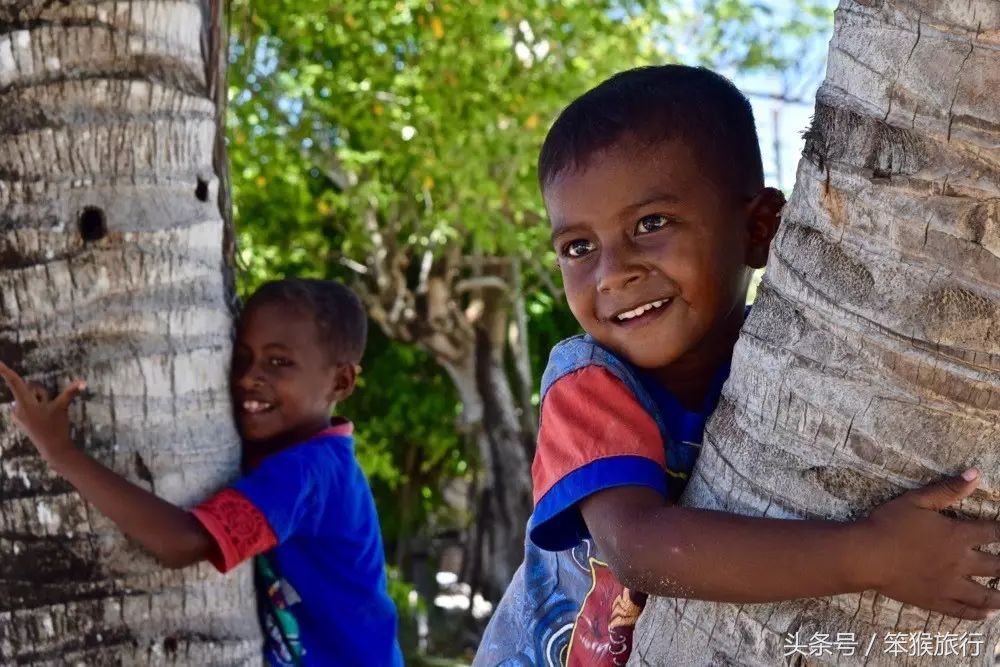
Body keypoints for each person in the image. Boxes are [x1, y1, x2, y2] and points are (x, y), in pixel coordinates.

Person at [475, 65, 1000, 666]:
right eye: (578, 247)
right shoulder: (588, 382)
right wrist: (873, 555)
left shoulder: (798, 359)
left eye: (650, 224)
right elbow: (640, 549)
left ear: (759, 228)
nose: (612, 274)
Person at [0, 278, 404, 667]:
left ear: (341, 382)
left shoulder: (309, 471)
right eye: (241, 358)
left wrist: (61, 452)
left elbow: (183, 542)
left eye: (279, 362)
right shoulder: (297, 456)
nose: (249, 377)